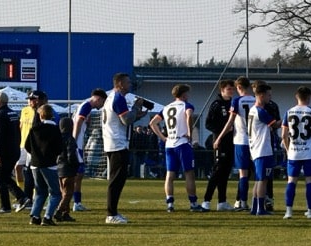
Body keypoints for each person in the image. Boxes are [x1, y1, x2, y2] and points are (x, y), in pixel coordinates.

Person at [147, 83, 203, 212]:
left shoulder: (166, 108)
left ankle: (170, 204)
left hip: (169, 144)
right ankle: (193, 203)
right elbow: (189, 115)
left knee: (170, 175)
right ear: (184, 94)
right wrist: (189, 132)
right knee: (189, 173)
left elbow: (152, 123)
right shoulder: (186, 105)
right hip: (182, 143)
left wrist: (163, 137)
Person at [101, 72, 146, 224]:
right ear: (120, 84)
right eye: (127, 82)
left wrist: (137, 115)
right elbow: (126, 120)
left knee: (118, 179)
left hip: (113, 142)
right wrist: (135, 107)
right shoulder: (118, 98)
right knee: (116, 180)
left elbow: (123, 119)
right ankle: (111, 213)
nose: (130, 85)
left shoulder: (112, 98)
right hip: (117, 143)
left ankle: (113, 212)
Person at [214, 76, 255, 211]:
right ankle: (257, 201)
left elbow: (230, 121)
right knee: (256, 173)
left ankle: (242, 202)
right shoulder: (256, 100)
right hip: (255, 141)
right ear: (248, 86)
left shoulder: (237, 100)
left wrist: (219, 137)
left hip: (241, 140)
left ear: (238, 87)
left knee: (243, 173)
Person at [282, 86, 311, 218]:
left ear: (296, 96)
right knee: (309, 181)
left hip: (294, 152)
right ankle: (310, 211)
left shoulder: (289, 112)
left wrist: (288, 150)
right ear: (309, 98)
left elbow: (283, 135)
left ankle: (289, 211)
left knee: (291, 181)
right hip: (309, 151)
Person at [200, 79, 236, 211]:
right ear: (222, 90)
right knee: (217, 170)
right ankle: (206, 200)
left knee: (226, 172)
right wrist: (223, 130)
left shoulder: (233, 103)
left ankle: (222, 201)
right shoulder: (216, 104)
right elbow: (208, 123)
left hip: (232, 141)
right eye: (228, 89)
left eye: (232, 89)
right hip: (220, 141)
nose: (231, 91)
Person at [0, 91, 28, 214]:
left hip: (5, 152)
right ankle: (10, 204)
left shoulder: (0, 115)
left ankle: (20, 198)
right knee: (4, 177)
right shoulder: (13, 113)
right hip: (15, 150)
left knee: (1, 178)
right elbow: (18, 133)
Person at [26, 104, 64, 226]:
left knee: (40, 191)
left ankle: (34, 216)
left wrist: (35, 154)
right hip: (49, 164)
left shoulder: (34, 129)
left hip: (35, 164)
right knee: (55, 192)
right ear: (52, 115)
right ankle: (47, 217)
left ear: (40, 115)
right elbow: (60, 147)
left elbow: (27, 146)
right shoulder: (54, 129)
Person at [69, 88, 106, 211]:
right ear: (98, 99)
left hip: (79, 144)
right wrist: (74, 140)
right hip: (77, 145)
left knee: (78, 175)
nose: (102, 106)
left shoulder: (85, 106)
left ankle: (76, 202)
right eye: (102, 102)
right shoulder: (86, 106)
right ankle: (73, 202)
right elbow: (78, 122)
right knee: (76, 174)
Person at [245, 82, 279, 215]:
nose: (270, 98)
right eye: (268, 95)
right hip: (262, 149)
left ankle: (255, 207)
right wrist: (289, 119)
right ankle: (260, 208)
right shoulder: (260, 111)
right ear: (261, 95)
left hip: (256, 148)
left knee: (259, 179)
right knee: (263, 180)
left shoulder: (253, 110)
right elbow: (275, 124)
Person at [54, 113, 80, 223]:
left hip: (58, 168)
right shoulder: (70, 139)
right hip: (68, 169)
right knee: (68, 193)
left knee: (63, 192)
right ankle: (59, 211)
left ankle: (65, 213)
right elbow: (71, 155)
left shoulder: (57, 138)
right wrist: (75, 165)